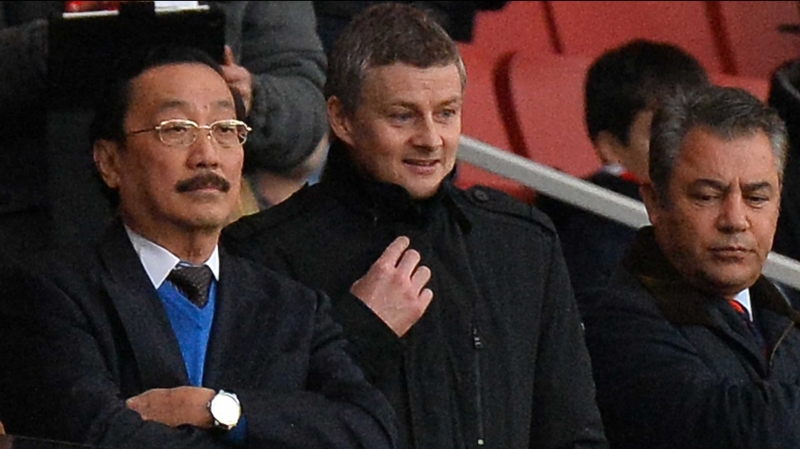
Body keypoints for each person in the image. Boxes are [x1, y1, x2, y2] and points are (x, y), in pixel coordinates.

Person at [222, 4, 607, 448]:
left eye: (446, 113)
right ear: (342, 119)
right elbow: (255, 424)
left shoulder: (522, 244)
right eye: (402, 116)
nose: (430, 139)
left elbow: (574, 434)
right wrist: (360, 330)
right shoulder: (263, 254)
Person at [0, 45, 397, 449]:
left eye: (225, 130)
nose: (207, 156)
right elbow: (104, 436)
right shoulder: (51, 294)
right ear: (110, 161)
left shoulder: (293, 306)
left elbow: (371, 432)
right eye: (176, 129)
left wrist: (219, 409)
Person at [0, 1, 327, 254]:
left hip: (217, 235)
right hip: (29, 226)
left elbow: (307, 115)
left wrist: (247, 97)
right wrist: (68, 41)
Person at [582, 85, 800, 449]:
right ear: (654, 202)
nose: (735, 219)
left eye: (757, 197)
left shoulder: (782, 320)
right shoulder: (616, 320)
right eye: (707, 196)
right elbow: (731, 427)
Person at [536, 39, 710, 304]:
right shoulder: (594, 241)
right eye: (662, 132)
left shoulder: (728, 219)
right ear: (612, 148)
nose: (689, 147)